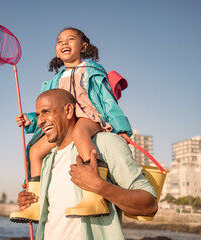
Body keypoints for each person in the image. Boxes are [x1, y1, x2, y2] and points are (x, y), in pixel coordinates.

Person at [10, 27, 132, 221]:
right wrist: (31, 119)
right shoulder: (54, 81)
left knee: (80, 133)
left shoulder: (92, 71)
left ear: (84, 47)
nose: (64, 43)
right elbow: (48, 109)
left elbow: (108, 101)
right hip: (64, 124)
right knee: (34, 151)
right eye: (59, 41)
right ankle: (36, 203)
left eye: (70, 39)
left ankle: (94, 197)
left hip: (88, 116)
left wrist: (122, 128)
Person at [17, 89, 158, 239]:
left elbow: (148, 205)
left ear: (69, 110)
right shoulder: (46, 161)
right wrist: (31, 200)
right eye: (38, 115)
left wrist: (99, 186)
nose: (40, 121)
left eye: (46, 112)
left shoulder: (106, 143)